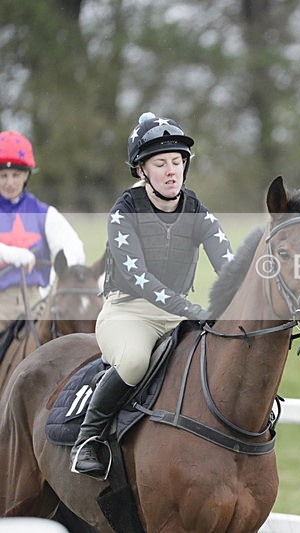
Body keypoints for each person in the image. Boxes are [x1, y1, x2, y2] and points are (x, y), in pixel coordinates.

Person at [70, 112, 234, 477]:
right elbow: (138, 277)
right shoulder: (123, 212)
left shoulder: (198, 211)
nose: (171, 170)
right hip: (129, 313)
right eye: (160, 163)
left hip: (179, 313)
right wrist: (190, 307)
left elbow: (230, 266)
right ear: (142, 171)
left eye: (177, 162)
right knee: (132, 362)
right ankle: (88, 437)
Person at [0, 131, 85, 331]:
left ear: (27, 175)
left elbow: (73, 247)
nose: (10, 182)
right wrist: (11, 254)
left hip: (36, 303)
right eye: (3, 175)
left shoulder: (45, 213)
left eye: (16, 175)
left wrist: (56, 280)